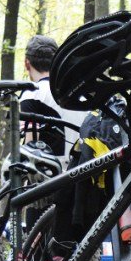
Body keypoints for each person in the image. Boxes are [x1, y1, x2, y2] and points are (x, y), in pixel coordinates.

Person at [19, 35, 87, 164]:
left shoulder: (32, 93)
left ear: (27, 63)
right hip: (87, 170)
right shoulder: (80, 94)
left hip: (54, 172)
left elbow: (30, 148)